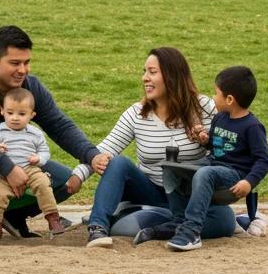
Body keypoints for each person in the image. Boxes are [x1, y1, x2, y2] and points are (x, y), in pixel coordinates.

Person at [0, 25, 108, 243]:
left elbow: (59, 124)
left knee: (65, 180)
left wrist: (90, 154)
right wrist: (7, 168)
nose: (23, 70)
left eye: (27, 62)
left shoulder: (30, 86)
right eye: (15, 63)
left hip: (18, 163)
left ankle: (12, 216)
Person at [76, 47, 236, 248]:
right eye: (144, 72)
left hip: (189, 196)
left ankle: (162, 228)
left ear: (172, 76)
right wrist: (76, 177)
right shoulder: (136, 113)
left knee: (226, 221)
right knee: (118, 163)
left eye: (152, 72)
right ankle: (97, 226)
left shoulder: (205, 108)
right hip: (150, 190)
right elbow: (104, 150)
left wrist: (206, 140)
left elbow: (227, 152)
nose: (145, 78)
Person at [164, 65, 268, 252]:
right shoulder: (220, 118)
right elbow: (215, 147)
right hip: (212, 165)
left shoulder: (252, 127)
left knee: (206, 173)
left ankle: (192, 231)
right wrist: (204, 140)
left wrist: (249, 182)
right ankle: (179, 222)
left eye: (216, 93)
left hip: (235, 174)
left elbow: (263, 160)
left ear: (230, 99)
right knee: (170, 168)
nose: (213, 98)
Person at [0, 87, 69, 239]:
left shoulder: (35, 133)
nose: (15, 118)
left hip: (31, 169)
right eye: (10, 113)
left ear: (32, 115)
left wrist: (39, 159)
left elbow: (44, 151)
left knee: (44, 184)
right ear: (2, 111)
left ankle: (53, 218)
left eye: (22, 114)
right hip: (4, 172)